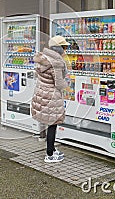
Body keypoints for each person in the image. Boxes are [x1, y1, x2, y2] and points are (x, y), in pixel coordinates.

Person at [31, 35, 70, 163]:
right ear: (59, 49)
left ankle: (52, 149)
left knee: (50, 124)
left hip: (41, 94)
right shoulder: (56, 63)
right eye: (64, 47)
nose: (65, 50)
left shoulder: (43, 59)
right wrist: (68, 86)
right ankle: (49, 155)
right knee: (53, 125)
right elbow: (59, 83)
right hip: (52, 96)